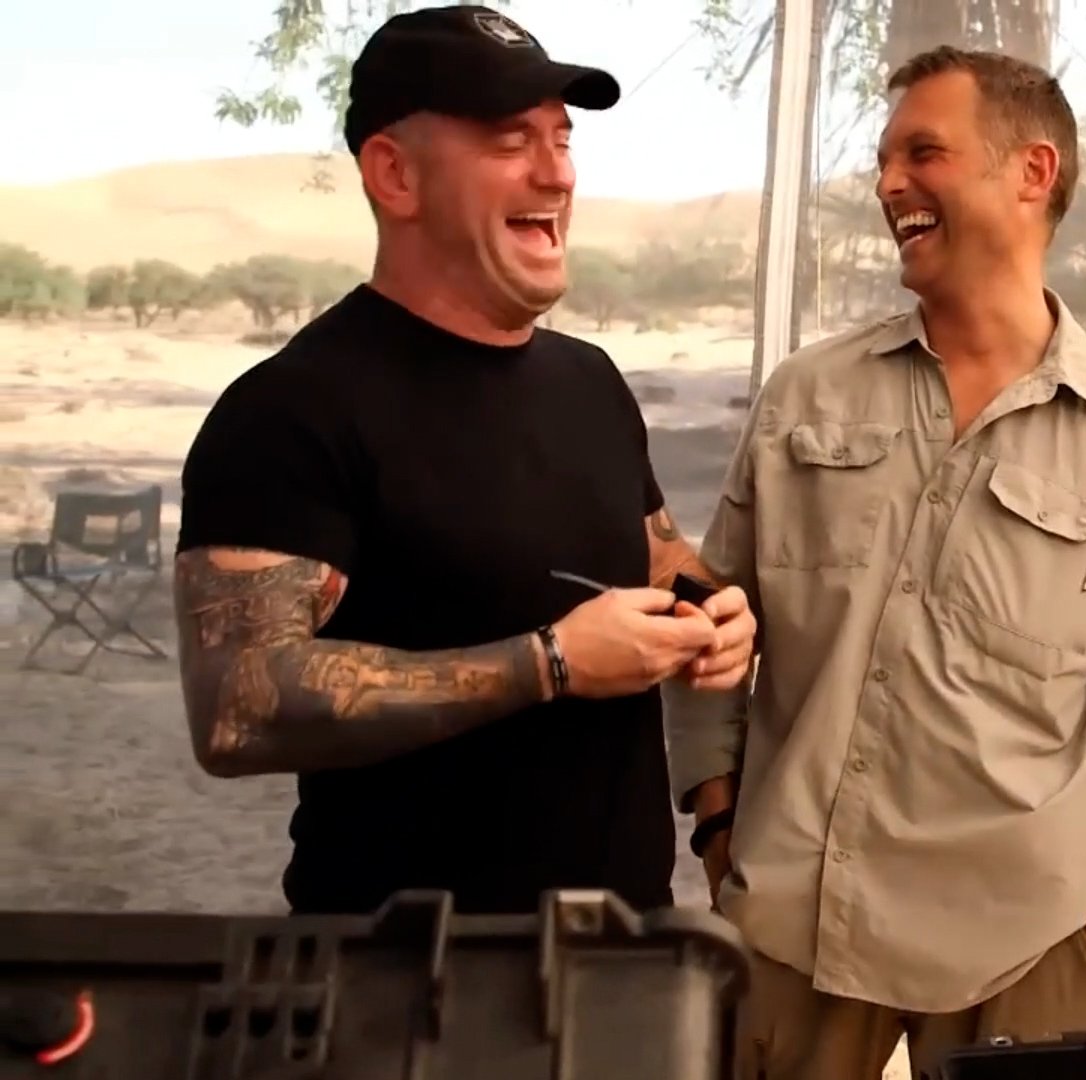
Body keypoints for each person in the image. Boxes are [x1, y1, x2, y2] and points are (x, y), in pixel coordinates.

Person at [663, 46, 1086, 1080]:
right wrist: (717, 820)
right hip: (792, 926)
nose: (888, 184)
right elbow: (709, 622)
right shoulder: (805, 398)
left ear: (1033, 172)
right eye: (885, 159)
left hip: (1026, 949)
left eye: (924, 153)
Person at [171, 5, 756, 916]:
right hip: (408, 964)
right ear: (394, 174)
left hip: (625, 942)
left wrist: (713, 609)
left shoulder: (591, 381)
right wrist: (549, 663)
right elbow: (236, 709)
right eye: (511, 141)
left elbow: (652, 554)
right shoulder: (290, 408)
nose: (557, 172)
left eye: (562, 139)